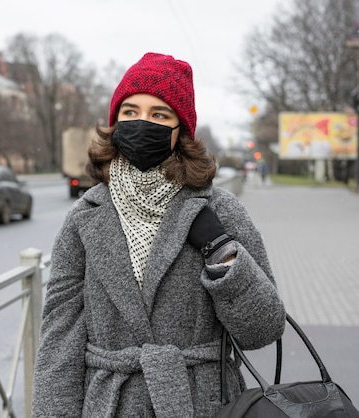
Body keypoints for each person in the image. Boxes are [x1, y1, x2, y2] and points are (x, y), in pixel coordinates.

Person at [31, 52, 286, 417]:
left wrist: (221, 251)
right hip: (109, 405)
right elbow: (60, 340)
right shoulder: (85, 217)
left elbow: (263, 329)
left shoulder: (219, 209)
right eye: (130, 112)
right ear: (115, 122)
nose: (141, 123)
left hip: (203, 403)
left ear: (180, 130)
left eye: (159, 115)